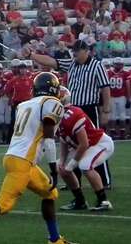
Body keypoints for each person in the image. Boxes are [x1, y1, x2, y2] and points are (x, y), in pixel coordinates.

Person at [0, 73, 74, 244]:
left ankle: (55, 240)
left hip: (18, 157)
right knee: (4, 204)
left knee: (49, 193)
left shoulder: (25, 104)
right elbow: (48, 139)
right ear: (53, 89)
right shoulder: (51, 103)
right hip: (22, 161)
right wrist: (53, 167)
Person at [31, 40, 112, 187]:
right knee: (72, 146)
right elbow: (51, 62)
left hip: (89, 108)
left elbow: (105, 89)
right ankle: (74, 181)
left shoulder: (97, 66)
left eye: (78, 50)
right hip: (73, 108)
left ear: (86, 51)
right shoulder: (71, 63)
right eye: (74, 50)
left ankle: (104, 180)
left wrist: (106, 110)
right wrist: (32, 55)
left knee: (95, 142)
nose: (74, 53)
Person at [56, 88, 114, 211]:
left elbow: (84, 144)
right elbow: (63, 141)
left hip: (99, 143)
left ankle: (103, 200)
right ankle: (80, 201)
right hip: (85, 146)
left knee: (85, 165)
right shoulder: (57, 116)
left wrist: (71, 165)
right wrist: (62, 161)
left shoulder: (73, 114)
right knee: (59, 166)